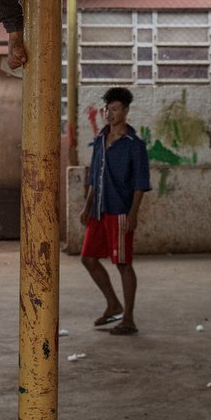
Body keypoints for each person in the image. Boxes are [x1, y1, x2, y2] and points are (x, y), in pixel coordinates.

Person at [79, 86, 151, 336]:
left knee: (122, 263)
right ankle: (113, 304)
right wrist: (87, 206)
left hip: (120, 211)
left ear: (126, 111)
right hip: (99, 210)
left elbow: (140, 183)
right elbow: (94, 175)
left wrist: (133, 214)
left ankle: (128, 319)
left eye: (115, 110)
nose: (110, 114)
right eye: (107, 110)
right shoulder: (100, 139)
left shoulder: (134, 145)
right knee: (88, 258)